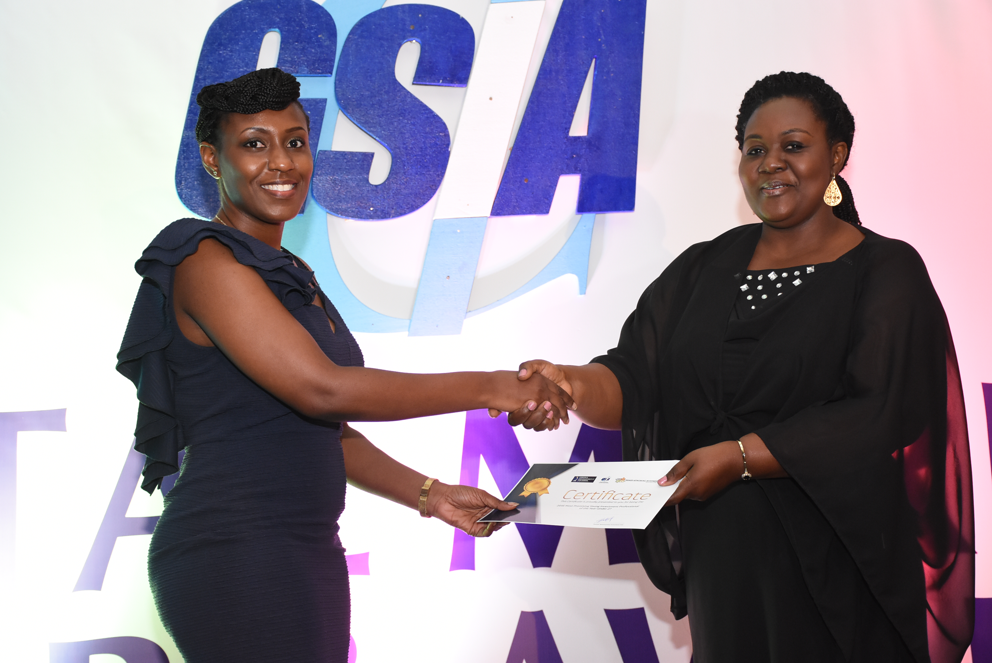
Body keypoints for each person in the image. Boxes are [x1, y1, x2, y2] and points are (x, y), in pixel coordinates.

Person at [503, 72, 974, 662]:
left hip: (842, 555)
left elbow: (883, 411)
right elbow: (633, 378)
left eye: (793, 146)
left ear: (836, 157)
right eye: (755, 150)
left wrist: (742, 456)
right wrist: (570, 384)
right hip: (723, 557)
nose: (771, 163)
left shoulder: (886, 269)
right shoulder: (702, 268)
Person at [116, 68, 573, 663]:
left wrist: (431, 495)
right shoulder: (204, 260)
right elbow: (324, 391)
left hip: (305, 547)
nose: (282, 162)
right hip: (233, 547)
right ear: (211, 158)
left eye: (295, 141)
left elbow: (320, 432)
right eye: (254, 144)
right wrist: (493, 386)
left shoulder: (290, 274)